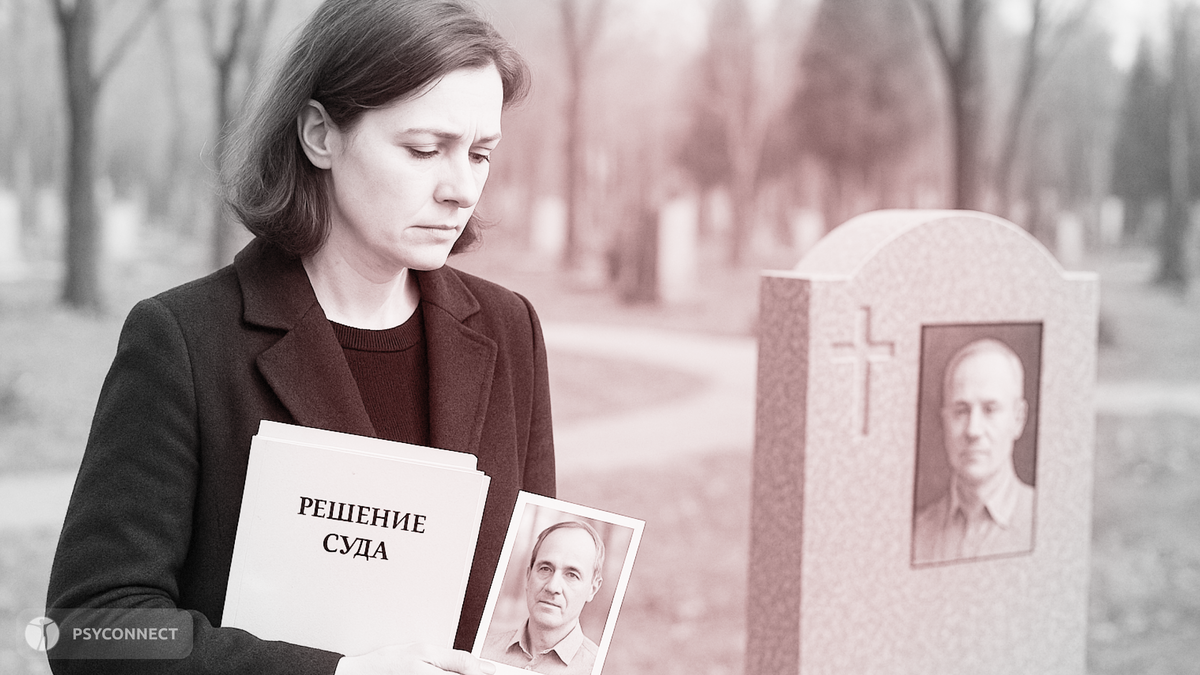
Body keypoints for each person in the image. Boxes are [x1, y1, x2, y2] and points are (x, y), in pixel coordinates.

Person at [46, 1, 554, 674]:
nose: (462, 189)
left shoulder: (509, 329)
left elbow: (522, 603)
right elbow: (88, 628)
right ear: (320, 135)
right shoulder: (184, 341)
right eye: (424, 150)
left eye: (480, 153)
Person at [912, 338, 1035, 564]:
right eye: (961, 411)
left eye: (990, 410)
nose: (973, 430)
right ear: (944, 421)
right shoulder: (916, 534)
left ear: (1018, 419)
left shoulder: (1045, 518)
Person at [482, 521, 605, 675]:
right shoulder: (481, 650)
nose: (552, 587)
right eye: (545, 569)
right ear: (528, 576)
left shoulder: (599, 669)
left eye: (572, 575)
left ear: (593, 589)